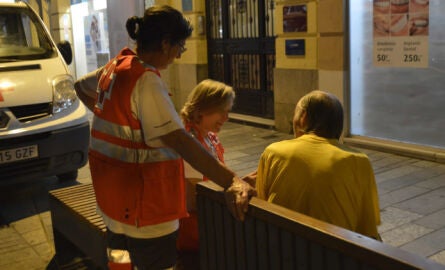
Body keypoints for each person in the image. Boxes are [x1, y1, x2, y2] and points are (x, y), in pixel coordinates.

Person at [74, 5, 255, 270]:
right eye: (180, 47)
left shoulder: (115, 68)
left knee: (120, 263)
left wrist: (122, 118)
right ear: (166, 43)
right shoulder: (146, 81)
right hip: (147, 211)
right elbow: (181, 141)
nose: (179, 56)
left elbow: (80, 86)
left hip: (112, 204)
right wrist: (233, 180)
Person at [255, 90, 381, 240]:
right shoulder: (359, 161)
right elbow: (367, 229)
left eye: (295, 114)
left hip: (282, 248)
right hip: (335, 253)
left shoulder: (274, 152)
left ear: (303, 118)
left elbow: (262, 206)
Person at [176, 79, 235, 269]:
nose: (226, 118)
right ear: (202, 108)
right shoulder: (189, 142)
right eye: (222, 111)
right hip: (195, 230)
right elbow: (193, 200)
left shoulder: (209, 136)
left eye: (228, 111)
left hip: (208, 221)